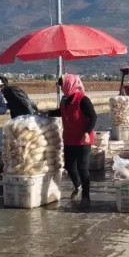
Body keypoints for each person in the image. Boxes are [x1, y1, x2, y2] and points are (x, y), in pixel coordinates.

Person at [46, 74, 96, 209]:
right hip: (69, 138)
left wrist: (87, 131)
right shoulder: (65, 100)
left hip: (82, 140)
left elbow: (93, 117)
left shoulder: (83, 99)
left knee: (82, 168)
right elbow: (61, 112)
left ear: (69, 84)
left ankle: (86, 197)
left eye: (62, 85)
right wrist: (47, 113)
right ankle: (78, 185)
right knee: (69, 165)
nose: (61, 88)